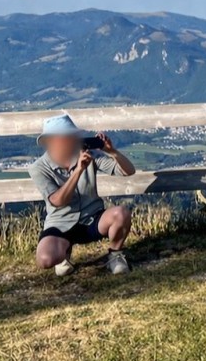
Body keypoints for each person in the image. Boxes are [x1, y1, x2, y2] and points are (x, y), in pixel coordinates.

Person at [29, 115, 137, 276]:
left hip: (93, 217)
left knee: (121, 214)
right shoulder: (38, 168)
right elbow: (58, 201)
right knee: (46, 259)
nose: (74, 140)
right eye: (68, 137)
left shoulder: (88, 154)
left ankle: (115, 254)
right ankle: (63, 252)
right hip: (60, 223)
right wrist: (79, 170)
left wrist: (112, 152)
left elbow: (128, 171)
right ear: (51, 141)